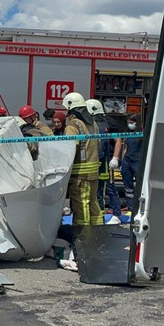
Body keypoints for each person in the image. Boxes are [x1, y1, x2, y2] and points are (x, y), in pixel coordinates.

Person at [62, 92, 102, 226]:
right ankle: (98, 233)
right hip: (93, 173)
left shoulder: (73, 126)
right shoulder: (93, 124)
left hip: (80, 175)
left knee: (81, 206)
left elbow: (69, 149)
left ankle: (83, 237)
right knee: (93, 204)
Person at [87, 99, 122, 219]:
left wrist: (115, 158)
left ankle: (116, 214)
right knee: (100, 191)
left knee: (109, 188)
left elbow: (118, 140)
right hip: (102, 160)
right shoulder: (96, 124)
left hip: (106, 161)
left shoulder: (105, 124)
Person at [118, 113, 143, 208]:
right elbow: (125, 148)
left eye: (131, 122)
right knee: (128, 186)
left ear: (137, 123)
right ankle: (130, 206)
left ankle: (139, 206)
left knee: (139, 184)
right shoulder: (128, 134)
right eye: (128, 122)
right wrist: (122, 161)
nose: (130, 124)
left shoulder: (142, 134)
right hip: (127, 161)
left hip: (138, 161)